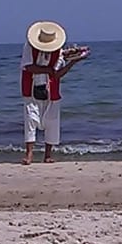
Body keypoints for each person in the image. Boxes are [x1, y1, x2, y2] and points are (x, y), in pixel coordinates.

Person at [20, 20, 89, 164]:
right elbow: (28, 67)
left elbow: (57, 74)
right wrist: (48, 70)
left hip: (51, 90)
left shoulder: (58, 51)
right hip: (31, 89)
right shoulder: (29, 47)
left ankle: (47, 155)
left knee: (52, 122)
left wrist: (73, 62)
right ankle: (29, 155)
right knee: (31, 120)